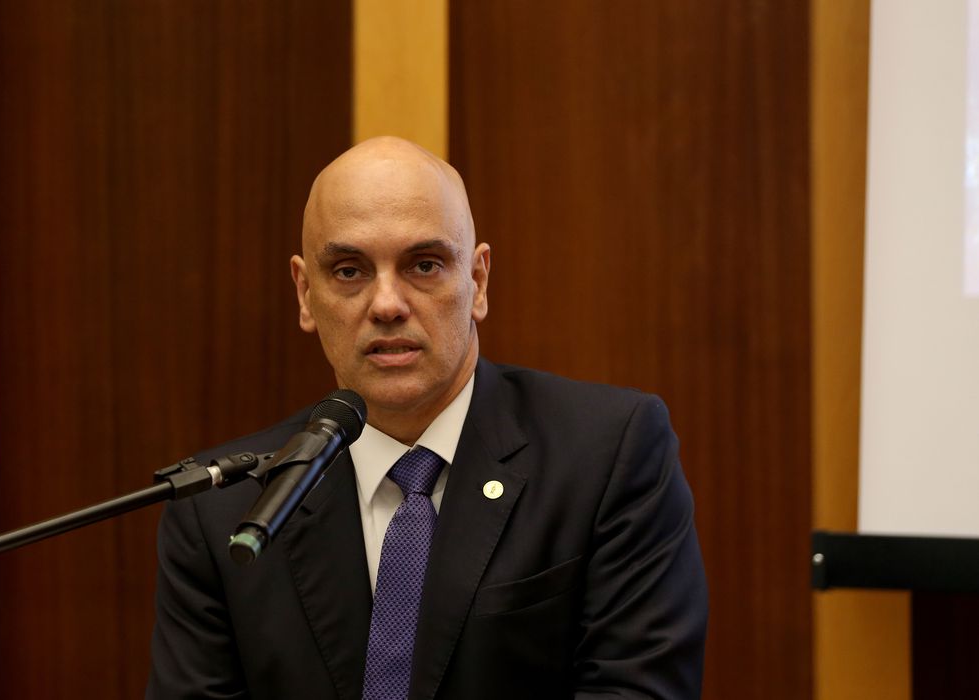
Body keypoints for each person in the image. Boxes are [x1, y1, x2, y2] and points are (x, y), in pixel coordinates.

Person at [147, 137, 707, 699]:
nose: (387, 304)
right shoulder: (223, 511)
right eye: (349, 271)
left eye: (424, 265)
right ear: (305, 293)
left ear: (477, 281)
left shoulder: (606, 456)